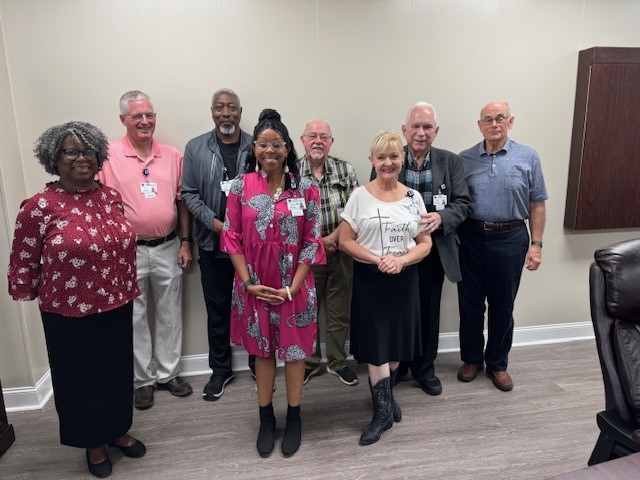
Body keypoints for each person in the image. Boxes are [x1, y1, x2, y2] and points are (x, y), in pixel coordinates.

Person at [8, 122, 146, 478]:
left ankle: (115, 429)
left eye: (88, 151)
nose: (81, 158)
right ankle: (92, 442)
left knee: (115, 372)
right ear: (55, 157)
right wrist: (23, 287)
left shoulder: (110, 196)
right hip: (68, 310)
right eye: (71, 151)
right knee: (81, 378)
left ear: (99, 155)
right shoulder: (39, 207)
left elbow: (121, 247)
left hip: (116, 300)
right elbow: (23, 256)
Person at [220, 109, 326, 458]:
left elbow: (312, 240)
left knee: (294, 354)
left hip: (294, 286)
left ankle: (294, 416)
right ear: (254, 149)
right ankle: (266, 417)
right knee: (262, 354)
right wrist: (249, 283)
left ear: (287, 147)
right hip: (254, 286)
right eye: (263, 144)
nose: (270, 151)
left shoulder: (307, 187)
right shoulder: (240, 187)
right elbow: (232, 238)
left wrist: (293, 287)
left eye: (276, 144)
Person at [98, 90, 193, 410]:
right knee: (135, 317)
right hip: (127, 252)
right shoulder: (107, 156)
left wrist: (185, 241)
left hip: (168, 246)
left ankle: (168, 374)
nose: (145, 121)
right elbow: (98, 204)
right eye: (137, 115)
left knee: (170, 313)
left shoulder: (172, 155)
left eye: (150, 115)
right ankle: (143, 380)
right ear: (123, 119)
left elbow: (182, 202)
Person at [339, 131, 432, 446]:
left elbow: (425, 242)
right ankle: (382, 413)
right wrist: (377, 259)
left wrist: (402, 260)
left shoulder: (412, 198)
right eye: (381, 157)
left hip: (404, 280)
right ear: (372, 161)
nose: (388, 163)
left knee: (394, 350)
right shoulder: (359, 196)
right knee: (377, 348)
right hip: (371, 279)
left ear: (401, 160)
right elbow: (345, 240)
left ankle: (386, 397)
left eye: (393, 157)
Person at [375, 102, 471, 396]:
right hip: (398, 251)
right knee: (399, 312)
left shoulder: (451, 162)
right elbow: (375, 198)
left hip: (435, 251)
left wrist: (442, 217)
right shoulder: (389, 158)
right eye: (415, 126)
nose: (420, 132)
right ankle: (397, 366)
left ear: (436, 131)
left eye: (427, 127)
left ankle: (424, 369)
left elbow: (463, 203)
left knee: (429, 313)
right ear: (404, 130)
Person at [457, 101, 547, 392]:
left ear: (510, 122)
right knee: (469, 304)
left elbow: (537, 204)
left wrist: (536, 245)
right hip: (470, 236)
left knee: (502, 305)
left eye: (500, 119)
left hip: (510, 238)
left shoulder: (528, 157)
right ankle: (471, 359)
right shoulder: (465, 159)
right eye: (488, 119)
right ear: (479, 125)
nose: (494, 124)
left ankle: (497, 363)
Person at [182, 88, 256, 401]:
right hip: (212, 244)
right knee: (218, 309)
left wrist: (243, 227)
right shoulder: (196, 148)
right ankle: (220, 370)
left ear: (240, 111)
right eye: (219, 108)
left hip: (251, 246)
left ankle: (258, 363)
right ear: (212, 112)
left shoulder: (256, 146)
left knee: (254, 307)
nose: (225, 114)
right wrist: (216, 223)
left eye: (231, 108)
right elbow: (188, 193)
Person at [298, 119, 360, 386]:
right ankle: (310, 362)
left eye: (324, 136)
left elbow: (356, 209)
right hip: (306, 256)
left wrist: (334, 237)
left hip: (341, 250)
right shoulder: (291, 172)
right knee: (306, 310)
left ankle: (336, 362)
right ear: (303, 140)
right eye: (312, 136)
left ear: (331, 142)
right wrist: (316, 242)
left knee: (339, 311)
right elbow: (287, 216)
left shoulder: (345, 169)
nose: (318, 141)